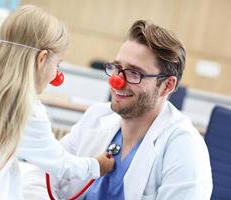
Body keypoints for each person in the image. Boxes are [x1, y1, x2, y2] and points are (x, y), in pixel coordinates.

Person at [0, 5, 114, 200]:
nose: (56, 74)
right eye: (57, 65)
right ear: (42, 59)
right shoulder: (26, 109)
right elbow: (60, 164)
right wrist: (97, 166)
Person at [22, 20, 213, 200]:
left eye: (134, 73)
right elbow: (41, 173)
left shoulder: (184, 147)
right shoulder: (97, 116)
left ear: (167, 85)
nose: (117, 81)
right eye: (117, 67)